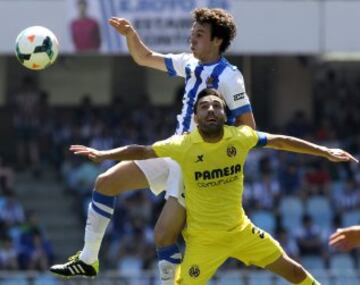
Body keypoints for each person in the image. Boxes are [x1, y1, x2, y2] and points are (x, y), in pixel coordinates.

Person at [64, 89, 357, 284]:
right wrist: (105, 155)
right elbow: (142, 150)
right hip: (203, 242)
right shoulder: (182, 145)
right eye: (204, 107)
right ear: (195, 117)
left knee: (294, 272)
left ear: (223, 113)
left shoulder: (240, 137)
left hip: (242, 232)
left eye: (216, 105)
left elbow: (281, 141)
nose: (211, 110)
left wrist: (324, 151)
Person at [50, 8, 255, 283]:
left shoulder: (230, 77)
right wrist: (130, 35)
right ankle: (88, 260)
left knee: (162, 236)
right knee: (106, 182)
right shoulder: (189, 63)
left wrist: (214, 149)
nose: (191, 39)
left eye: (199, 34)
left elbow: (248, 128)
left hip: (195, 162)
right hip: (174, 148)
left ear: (217, 41)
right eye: (192, 33)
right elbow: (144, 57)